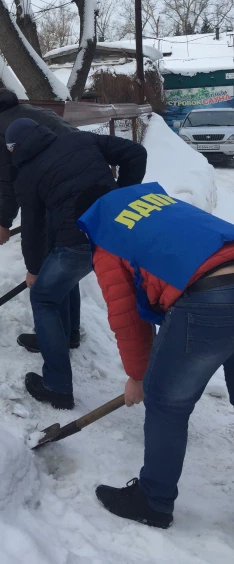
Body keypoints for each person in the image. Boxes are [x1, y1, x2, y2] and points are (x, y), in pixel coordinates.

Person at [75, 182, 234, 529]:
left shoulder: (108, 240)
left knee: (167, 405)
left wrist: (138, 376)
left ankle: (153, 501)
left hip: (211, 298)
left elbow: (127, 318)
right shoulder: (158, 204)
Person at [5, 118, 146, 410]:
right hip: (113, 234)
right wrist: (117, 201)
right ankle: (65, 337)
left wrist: (33, 269)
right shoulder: (78, 138)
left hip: (76, 242)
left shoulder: (27, 174)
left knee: (43, 298)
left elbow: (31, 227)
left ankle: (57, 386)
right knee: (61, 279)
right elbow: (136, 153)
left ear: (16, 148)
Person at [0, 88, 84, 350]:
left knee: (53, 264)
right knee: (64, 262)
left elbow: (9, 181)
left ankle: (57, 337)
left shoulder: (3, 130)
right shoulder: (30, 111)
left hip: (60, 190)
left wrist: (4, 223)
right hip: (84, 185)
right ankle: (70, 332)